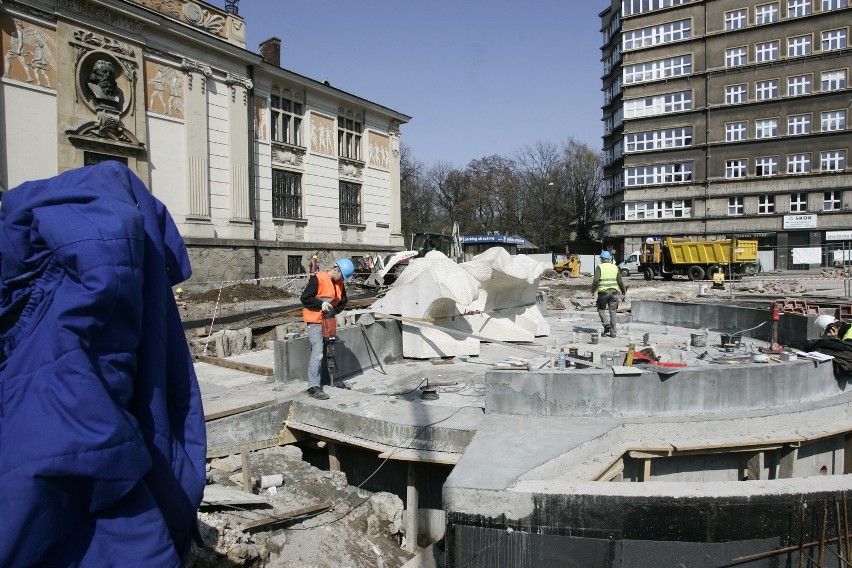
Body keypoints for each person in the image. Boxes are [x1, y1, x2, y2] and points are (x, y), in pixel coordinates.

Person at [300, 258, 354, 399]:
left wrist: (333, 312)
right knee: (317, 352)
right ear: (336, 270)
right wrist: (321, 305)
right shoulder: (318, 279)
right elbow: (305, 298)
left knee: (329, 350)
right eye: (341, 276)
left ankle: (329, 381)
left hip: (328, 320)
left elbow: (343, 301)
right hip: (315, 321)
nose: (342, 279)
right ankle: (313, 387)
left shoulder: (339, 282)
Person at [591, 250, 626, 338]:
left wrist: (593, 291)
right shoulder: (615, 267)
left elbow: (596, 280)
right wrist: (623, 291)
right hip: (614, 292)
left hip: (603, 292)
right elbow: (620, 281)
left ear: (602, 259)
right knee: (613, 312)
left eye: (601, 258)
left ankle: (606, 325)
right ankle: (613, 332)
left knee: (601, 309)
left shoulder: (600, 267)